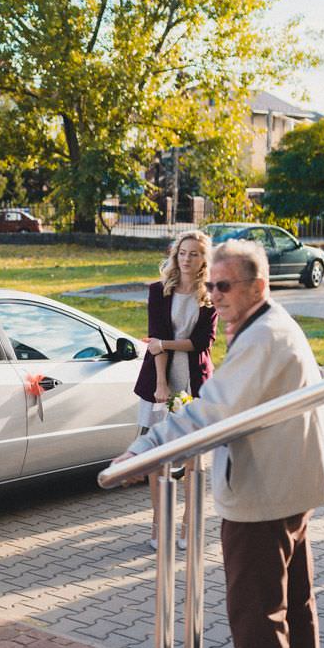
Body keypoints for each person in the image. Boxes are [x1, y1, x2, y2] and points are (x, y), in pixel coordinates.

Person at [112, 240, 324, 648]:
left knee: (256, 615)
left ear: (258, 286)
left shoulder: (263, 337)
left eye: (224, 285)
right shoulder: (266, 324)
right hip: (289, 484)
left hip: (265, 495)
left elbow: (211, 410)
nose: (215, 295)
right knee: (294, 604)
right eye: (212, 286)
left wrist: (144, 449)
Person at [132, 230, 218, 549]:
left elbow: (201, 342)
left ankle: (189, 524)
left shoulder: (210, 294)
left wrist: (165, 344)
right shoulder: (158, 290)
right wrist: (161, 384)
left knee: (193, 456)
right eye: (182, 252)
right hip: (160, 380)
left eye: (194, 253)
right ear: (175, 255)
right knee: (158, 456)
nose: (186, 259)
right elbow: (154, 340)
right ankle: (159, 523)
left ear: (204, 260)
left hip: (195, 382)